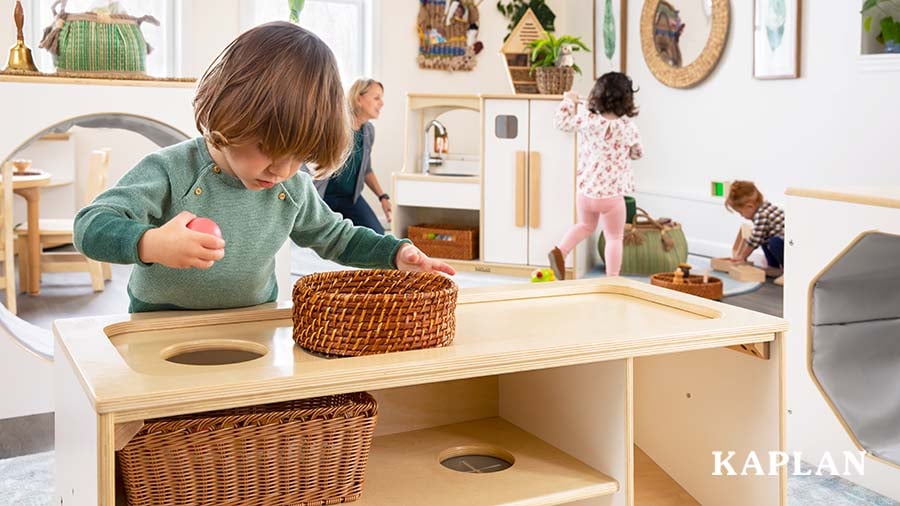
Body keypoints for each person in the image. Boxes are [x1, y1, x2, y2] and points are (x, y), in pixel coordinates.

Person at [73, 22, 454, 313]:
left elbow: (338, 237)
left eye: (298, 156)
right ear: (231, 113)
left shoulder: (293, 187)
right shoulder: (173, 169)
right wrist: (151, 244)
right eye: (269, 149)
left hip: (253, 323)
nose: (281, 171)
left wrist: (394, 254)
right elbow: (90, 226)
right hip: (159, 324)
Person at [547, 72, 643, 280]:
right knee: (614, 237)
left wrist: (568, 101)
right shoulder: (627, 127)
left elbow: (561, 122)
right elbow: (638, 153)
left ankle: (560, 251)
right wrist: (626, 152)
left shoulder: (587, 119)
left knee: (585, 226)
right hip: (611, 195)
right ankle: (612, 278)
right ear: (626, 99)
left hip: (586, 191)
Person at [312, 78, 390, 234]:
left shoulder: (368, 131)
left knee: (379, 236)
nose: (381, 103)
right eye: (376, 98)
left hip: (350, 199)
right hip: (323, 197)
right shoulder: (334, 124)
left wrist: (382, 196)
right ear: (359, 99)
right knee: (322, 244)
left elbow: (366, 169)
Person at [725, 181, 785, 285]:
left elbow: (754, 241)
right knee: (766, 239)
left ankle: (788, 273)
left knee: (774, 242)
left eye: (741, 212)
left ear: (750, 207)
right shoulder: (764, 208)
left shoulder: (762, 215)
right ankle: (774, 267)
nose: (741, 215)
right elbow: (759, 237)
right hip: (781, 241)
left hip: (790, 246)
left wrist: (742, 256)